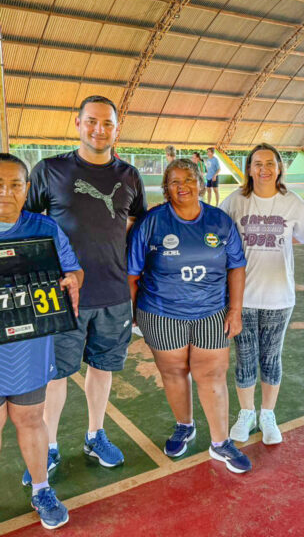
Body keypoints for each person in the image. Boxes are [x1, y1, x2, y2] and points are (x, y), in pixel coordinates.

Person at [24, 95, 147, 479]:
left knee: (103, 367)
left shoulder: (129, 176)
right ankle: (50, 446)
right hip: (62, 295)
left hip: (112, 292)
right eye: (92, 121)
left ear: (116, 129)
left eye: (107, 123)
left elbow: (135, 220)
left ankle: (95, 435)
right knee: (56, 374)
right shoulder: (50, 170)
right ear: (77, 123)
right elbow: (28, 222)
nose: (99, 129)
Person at [127, 159, 251, 473]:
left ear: (199, 182)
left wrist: (235, 311)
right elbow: (132, 274)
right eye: (174, 182)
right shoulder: (151, 223)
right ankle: (185, 425)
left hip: (211, 313)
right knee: (173, 373)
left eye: (188, 180)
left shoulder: (219, 221)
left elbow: (236, 266)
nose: (182, 187)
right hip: (161, 314)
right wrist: (131, 315)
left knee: (212, 375)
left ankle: (221, 443)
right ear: (165, 188)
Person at [0, 154, 83, 529]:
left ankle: (41, 488)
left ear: (27, 189)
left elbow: (73, 267)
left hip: (28, 349)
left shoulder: (44, 228)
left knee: (31, 418)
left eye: (15, 184)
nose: (6, 193)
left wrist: (72, 280)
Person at [220, 144, 304, 445]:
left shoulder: (292, 203)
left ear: (279, 168)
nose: (264, 169)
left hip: (279, 297)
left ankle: (268, 413)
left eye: (271, 163)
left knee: (271, 357)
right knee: (245, 357)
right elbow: (214, 234)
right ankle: (246, 412)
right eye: (258, 163)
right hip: (242, 297)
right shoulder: (235, 202)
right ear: (249, 168)